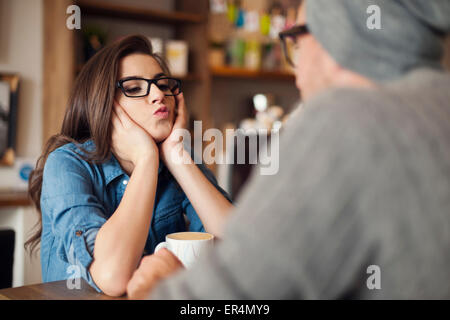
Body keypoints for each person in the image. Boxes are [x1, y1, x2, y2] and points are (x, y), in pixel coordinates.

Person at [126, 0, 450, 299]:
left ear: (332, 38)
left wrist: (160, 288)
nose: (296, 71)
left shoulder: (344, 119)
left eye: (295, 41)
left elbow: (234, 296)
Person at [26, 35, 233, 297]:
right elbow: (112, 276)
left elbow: (242, 250)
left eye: (163, 84)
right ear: (103, 105)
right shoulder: (67, 164)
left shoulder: (178, 159)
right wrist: (146, 158)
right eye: (134, 88)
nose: (159, 95)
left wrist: (176, 154)